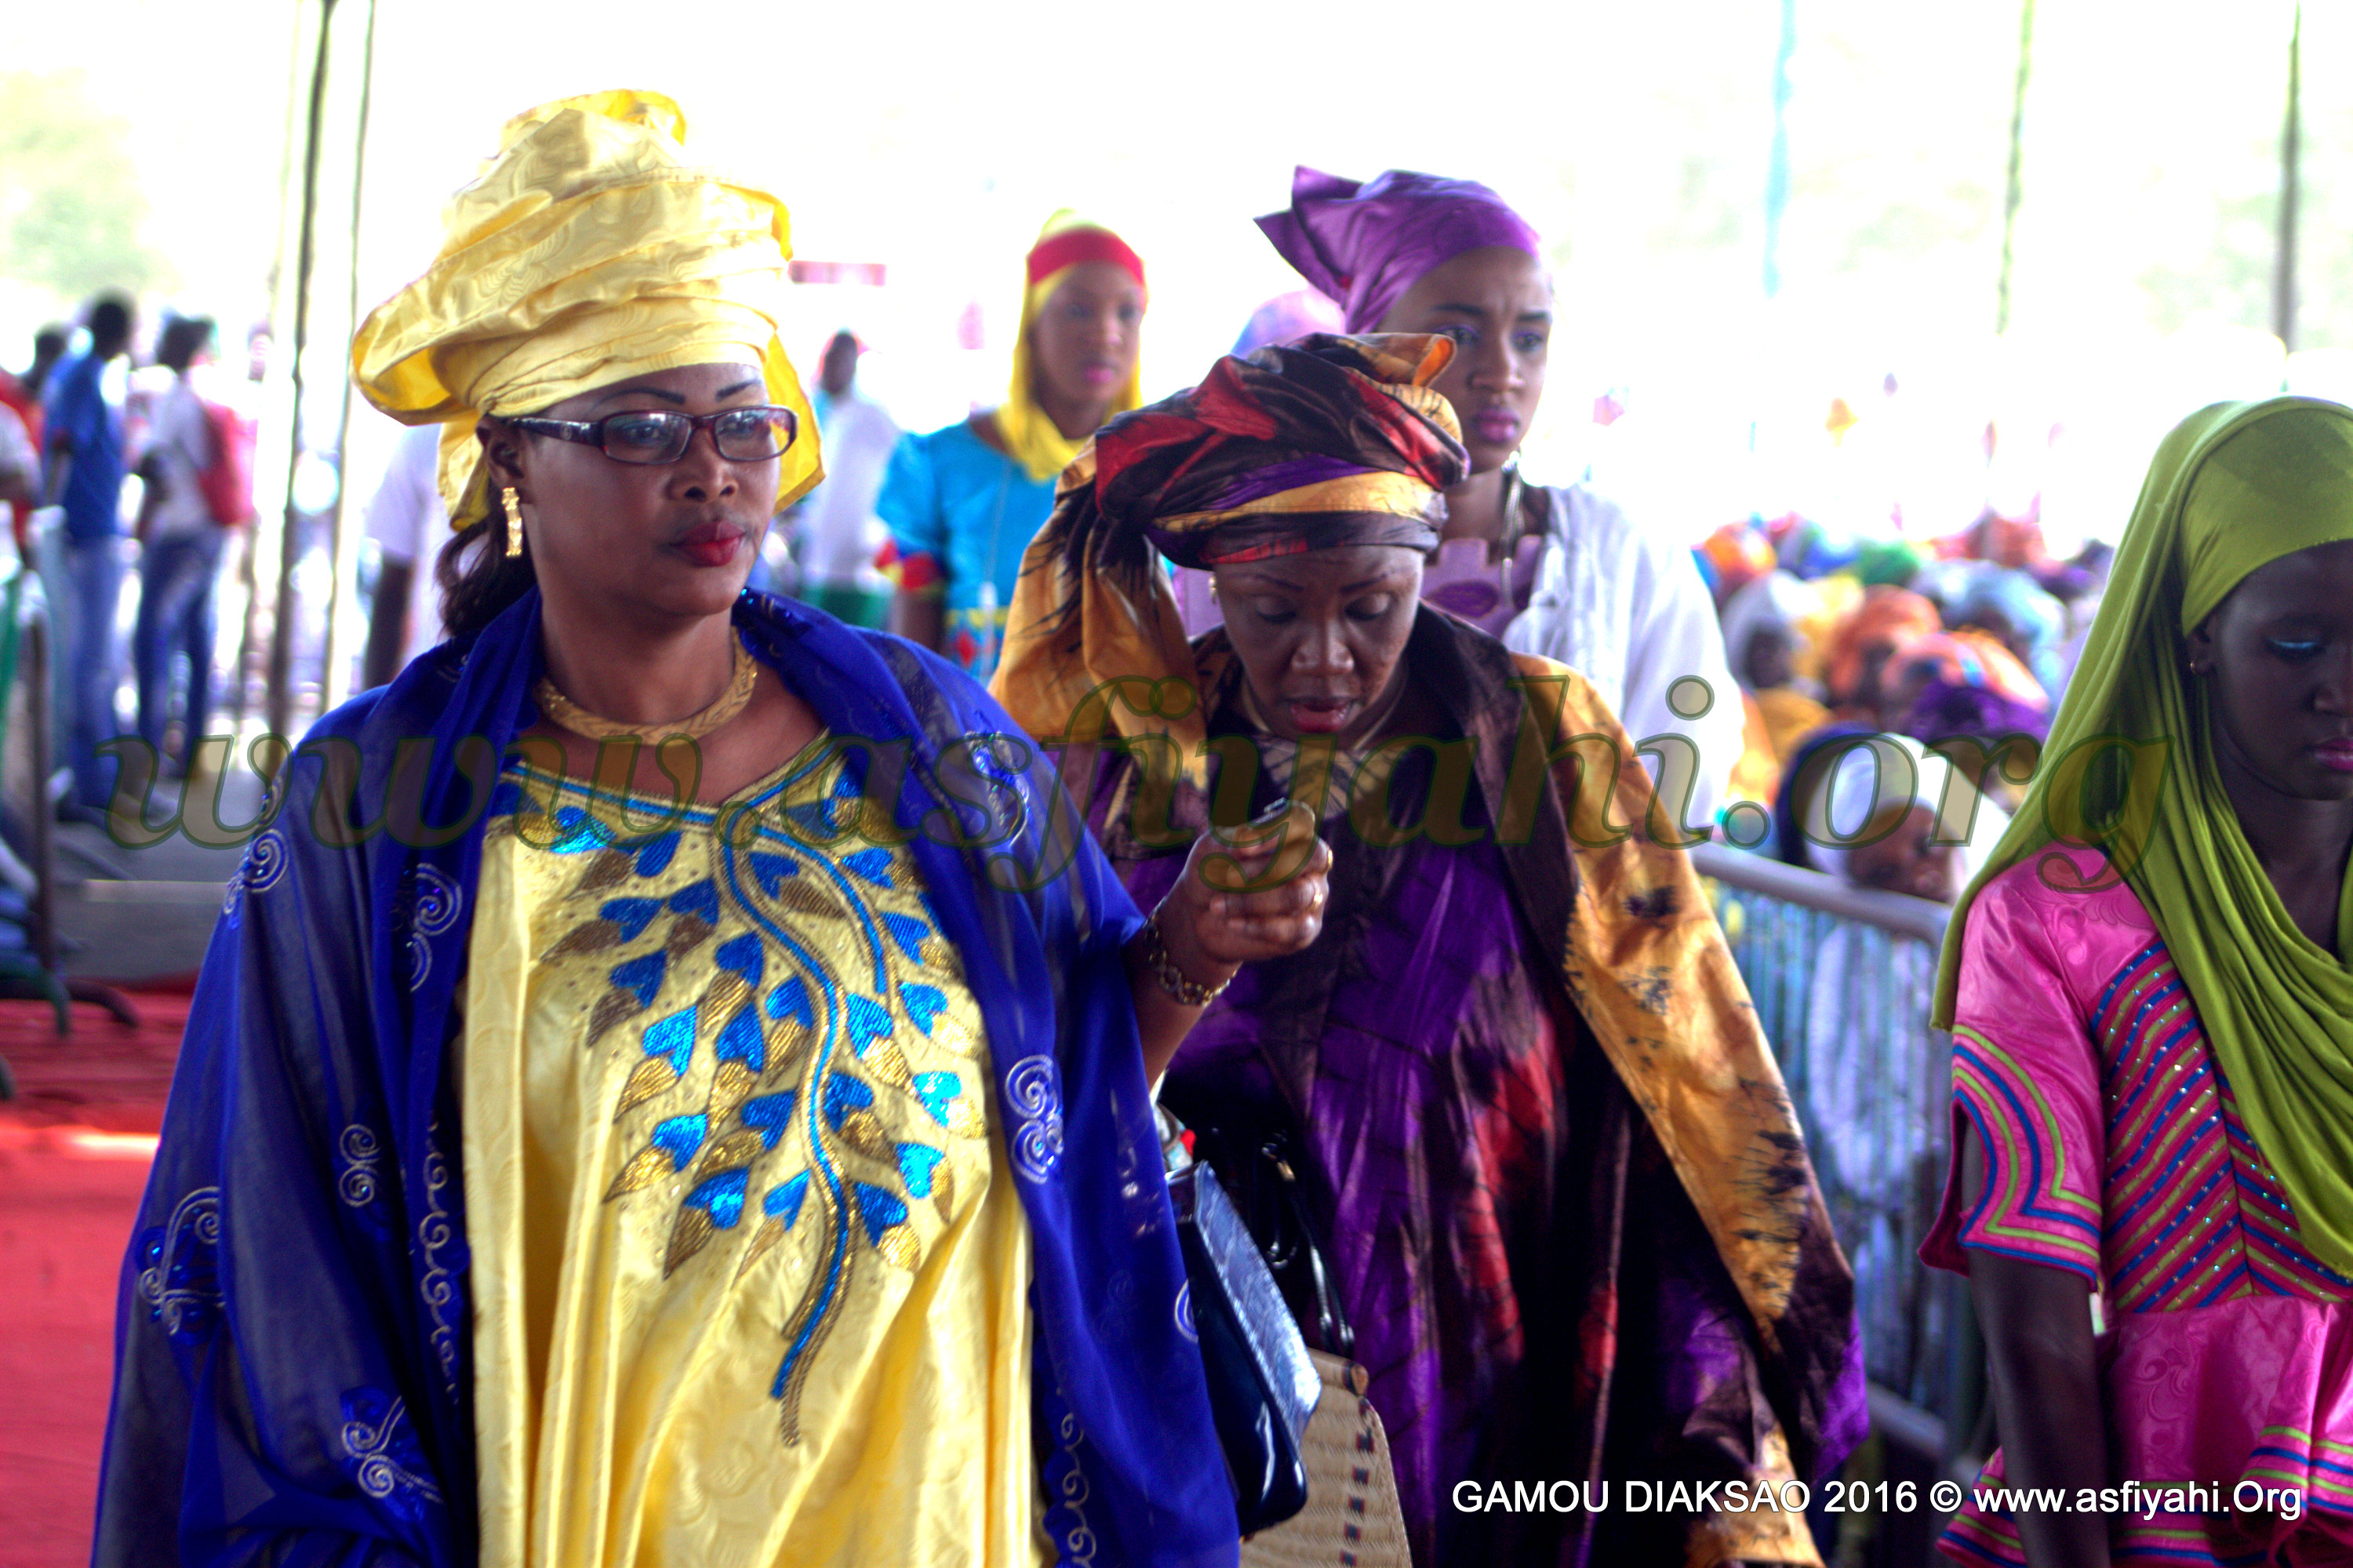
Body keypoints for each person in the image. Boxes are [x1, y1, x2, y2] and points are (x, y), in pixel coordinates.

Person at [94, 90, 1320, 1568]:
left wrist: (1186, 949)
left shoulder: (935, 741)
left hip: (937, 1506)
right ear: (508, 459)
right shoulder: (381, 808)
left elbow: (1070, 1096)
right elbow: (276, 1230)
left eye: (744, 419)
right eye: (639, 425)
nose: (711, 467)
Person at [993, 331, 1864, 1568]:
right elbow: (1039, 1071)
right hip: (1211, 1359)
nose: (1325, 656)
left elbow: (1688, 1066)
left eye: (1371, 607)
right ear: (1211, 584)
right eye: (1273, 610)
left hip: (1503, 1310)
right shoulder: (1133, 763)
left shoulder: (1548, 744)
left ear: (1429, 558)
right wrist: (1186, 952)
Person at [1922, 397, 2353, 1566]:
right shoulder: (2060, 920)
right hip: (2161, 1510)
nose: (2344, 686)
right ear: (2198, 631)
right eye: (2300, 643)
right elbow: (2039, 1328)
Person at [1257, 167, 1744, 835]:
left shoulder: (1620, 555)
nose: (1504, 373)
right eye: (1460, 335)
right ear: (1363, 346)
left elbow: (1679, 790)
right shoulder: (1270, 550)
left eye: (1530, 339)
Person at [878, 211, 1145, 678]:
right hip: (975, 742)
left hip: (1124, 748)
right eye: (1079, 309)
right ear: (1031, 323)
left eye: (1128, 312)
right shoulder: (940, 465)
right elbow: (912, 662)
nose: (1107, 333)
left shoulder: (1161, 466)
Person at [42, 293, 136, 814]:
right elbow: (63, 446)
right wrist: (51, 518)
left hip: (86, 529)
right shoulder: (85, 378)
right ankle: (88, 784)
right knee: (91, 665)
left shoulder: (82, 373)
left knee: (91, 662)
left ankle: (94, 780)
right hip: (86, 532)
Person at [131, 315, 227, 771]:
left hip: (178, 535)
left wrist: (140, 525)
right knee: (196, 640)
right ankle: (190, 751)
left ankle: (146, 753)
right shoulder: (202, 396)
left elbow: (155, 468)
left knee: (151, 639)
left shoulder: (174, 401)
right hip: (209, 531)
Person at [790, 329, 898, 627]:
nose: (832, 368)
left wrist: (881, 538)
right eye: (829, 358)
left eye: (841, 360)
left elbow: (904, 468)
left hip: (857, 568)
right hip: (817, 561)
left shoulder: (871, 417)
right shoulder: (821, 411)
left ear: (853, 366)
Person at [361, 421, 451, 687]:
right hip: (435, 688)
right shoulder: (426, 437)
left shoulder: (551, 432)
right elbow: (392, 587)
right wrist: (374, 710)